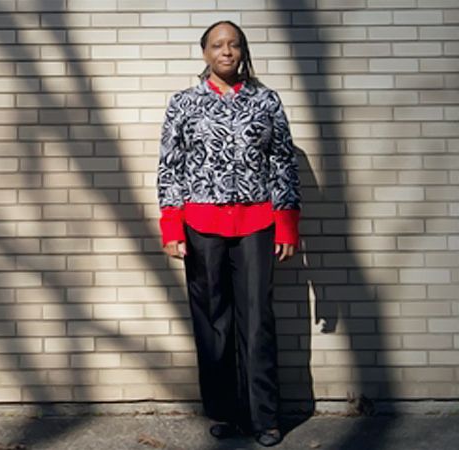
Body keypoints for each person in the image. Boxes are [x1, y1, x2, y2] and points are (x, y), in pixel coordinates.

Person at [157, 20, 301, 447]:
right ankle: (224, 412)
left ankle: (264, 417)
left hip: (257, 225)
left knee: (257, 322)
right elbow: (170, 167)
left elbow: (283, 163)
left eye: (234, 45)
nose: (226, 51)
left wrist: (287, 224)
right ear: (205, 53)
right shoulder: (184, 103)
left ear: (242, 52)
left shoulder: (266, 101)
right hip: (201, 227)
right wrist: (172, 226)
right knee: (212, 323)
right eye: (218, 45)